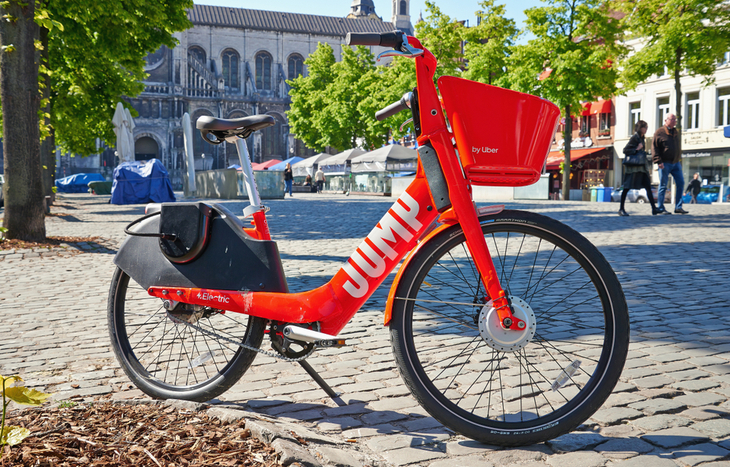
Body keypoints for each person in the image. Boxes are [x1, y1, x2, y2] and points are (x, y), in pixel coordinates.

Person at [619, 120, 659, 216]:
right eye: (645, 127)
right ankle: (621, 209)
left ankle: (654, 208)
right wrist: (636, 149)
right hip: (633, 168)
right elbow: (625, 150)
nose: (646, 129)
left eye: (646, 127)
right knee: (626, 188)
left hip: (641, 167)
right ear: (640, 128)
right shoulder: (635, 138)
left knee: (648, 187)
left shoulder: (642, 138)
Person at [653, 114, 688, 214]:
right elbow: (655, 147)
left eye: (675, 120)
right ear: (666, 120)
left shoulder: (676, 131)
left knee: (680, 183)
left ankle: (678, 207)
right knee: (663, 185)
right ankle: (660, 207)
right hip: (664, 163)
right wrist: (658, 161)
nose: (674, 121)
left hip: (676, 162)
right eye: (672, 119)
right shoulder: (659, 132)